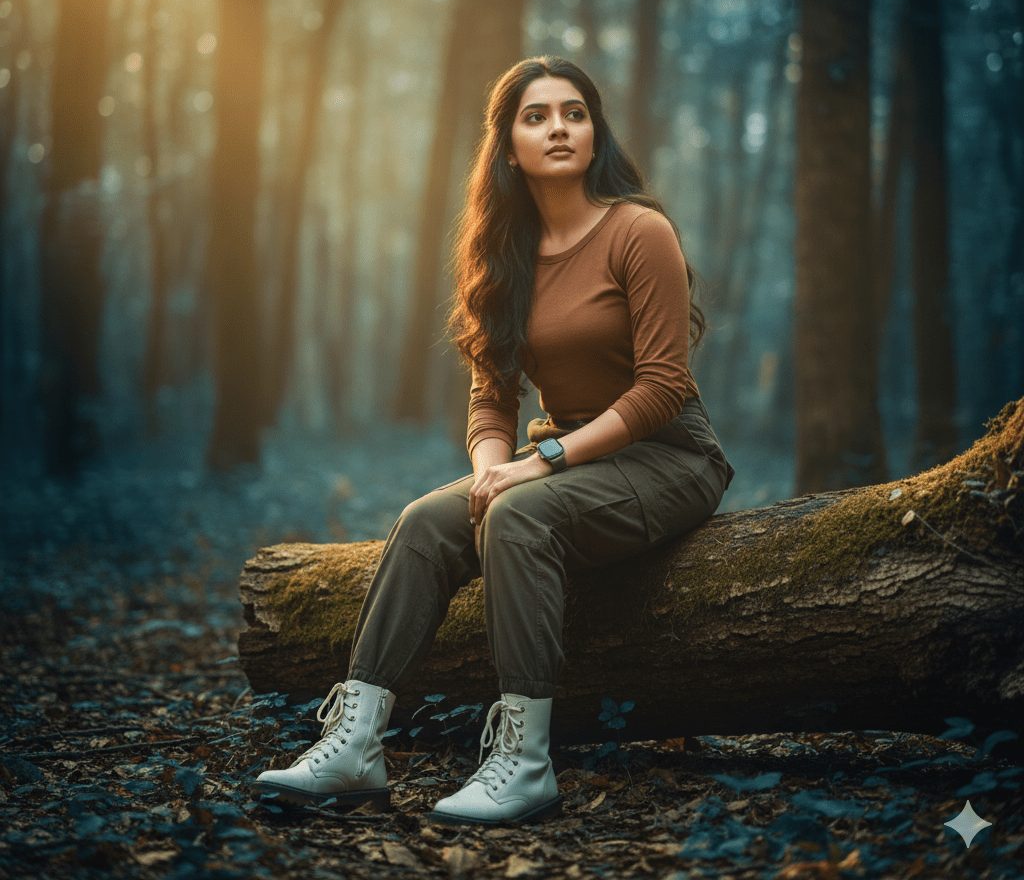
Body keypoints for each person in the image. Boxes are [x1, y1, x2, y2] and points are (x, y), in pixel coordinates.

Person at [253, 55, 736, 826]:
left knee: (522, 515)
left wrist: (535, 466)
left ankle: (525, 762)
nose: (559, 128)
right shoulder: (503, 255)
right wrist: (488, 474)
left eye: (575, 113)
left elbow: (662, 388)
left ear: (595, 132)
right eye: (537, 115)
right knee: (422, 521)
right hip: (568, 452)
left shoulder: (638, 231)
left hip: (669, 456)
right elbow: (491, 400)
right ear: (509, 146)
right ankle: (355, 745)